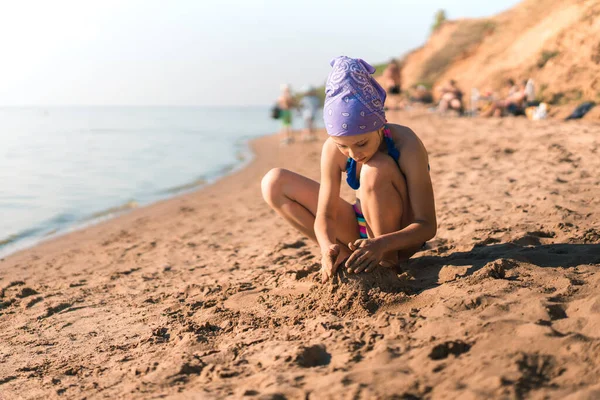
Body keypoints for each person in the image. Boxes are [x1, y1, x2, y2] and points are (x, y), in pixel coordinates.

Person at [261, 56, 437, 283]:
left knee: (375, 168)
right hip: (360, 234)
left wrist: (383, 245)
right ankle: (343, 259)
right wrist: (326, 246)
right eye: (342, 146)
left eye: (361, 143)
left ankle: (387, 265)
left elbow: (427, 225)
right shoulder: (332, 149)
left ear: (379, 125)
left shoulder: (406, 143)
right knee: (274, 182)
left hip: (397, 239)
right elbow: (325, 214)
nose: (354, 154)